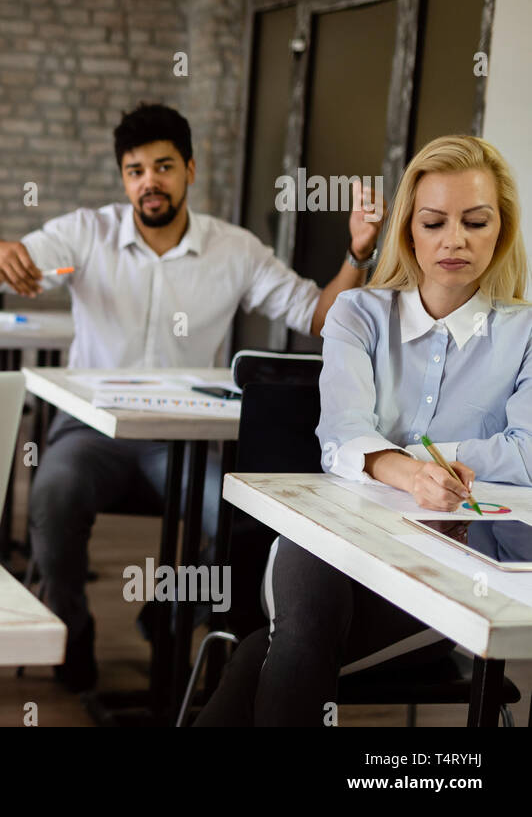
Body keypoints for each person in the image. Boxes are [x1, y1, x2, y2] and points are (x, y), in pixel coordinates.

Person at [0, 103, 383, 694]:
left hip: (187, 443)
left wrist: (357, 254)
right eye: (135, 171)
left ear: (190, 169)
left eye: (163, 167)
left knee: (242, 522)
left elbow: (319, 317)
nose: (149, 182)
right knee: (53, 493)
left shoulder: (234, 249)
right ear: (123, 180)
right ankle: (73, 629)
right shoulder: (86, 234)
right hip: (92, 436)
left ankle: (167, 616)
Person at [196, 135, 532, 726]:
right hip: (335, 546)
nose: (455, 240)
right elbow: (342, 433)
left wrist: (416, 460)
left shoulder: (525, 332)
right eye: (434, 223)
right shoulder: (359, 314)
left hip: (455, 575)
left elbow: (528, 455)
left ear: (501, 231)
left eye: (475, 222)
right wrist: (411, 470)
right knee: (310, 573)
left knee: (264, 656)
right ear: (408, 231)